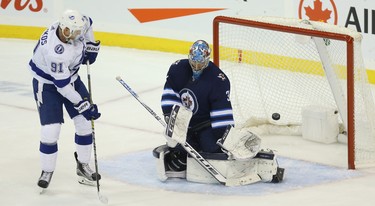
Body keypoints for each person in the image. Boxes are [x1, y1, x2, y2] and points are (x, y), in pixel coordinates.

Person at [29, 9, 101, 189]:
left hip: (72, 78)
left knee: (85, 124)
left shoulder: (76, 25)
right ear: (62, 27)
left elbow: (88, 21)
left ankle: (83, 166)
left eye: (77, 32)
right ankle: (47, 170)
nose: (74, 35)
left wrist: (92, 45)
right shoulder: (55, 51)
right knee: (51, 131)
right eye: (70, 32)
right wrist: (82, 104)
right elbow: (62, 86)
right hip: (47, 84)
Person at [159, 40, 235, 175]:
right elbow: (170, 95)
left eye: (200, 63)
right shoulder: (178, 69)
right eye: (193, 62)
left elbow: (221, 112)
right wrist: (172, 119)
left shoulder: (218, 80)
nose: (196, 66)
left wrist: (223, 138)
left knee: (211, 148)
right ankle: (189, 146)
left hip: (206, 124)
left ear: (207, 60)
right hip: (185, 122)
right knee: (177, 144)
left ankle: (201, 144)